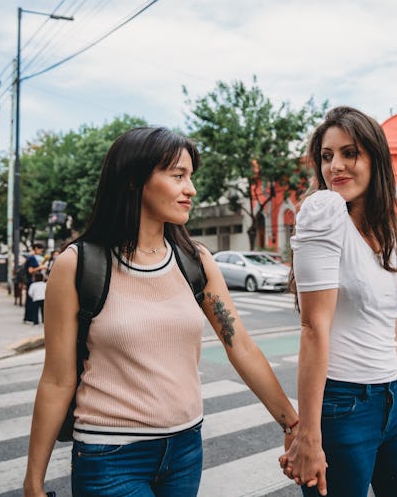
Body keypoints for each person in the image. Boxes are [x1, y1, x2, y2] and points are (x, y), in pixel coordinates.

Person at [23, 127, 299, 497]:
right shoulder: (77, 264)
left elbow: (241, 347)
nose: (191, 189)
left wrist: (293, 424)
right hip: (110, 455)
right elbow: (57, 379)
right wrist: (33, 482)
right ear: (136, 180)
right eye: (178, 176)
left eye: (191, 176)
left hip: (185, 450)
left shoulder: (195, 260)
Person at [279, 107, 397, 496]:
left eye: (349, 153)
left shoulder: (390, 231)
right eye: (327, 156)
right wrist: (309, 435)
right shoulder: (324, 212)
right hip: (342, 406)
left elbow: (394, 336)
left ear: (375, 158)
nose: (336, 166)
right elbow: (313, 328)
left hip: (394, 401)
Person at [23, 243, 48, 324]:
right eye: (41, 250)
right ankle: (30, 318)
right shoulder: (32, 258)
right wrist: (40, 267)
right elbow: (30, 270)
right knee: (31, 301)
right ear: (36, 248)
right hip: (32, 282)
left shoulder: (30, 257)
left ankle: (28, 318)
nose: (41, 252)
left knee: (30, 300)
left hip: (31, 281)